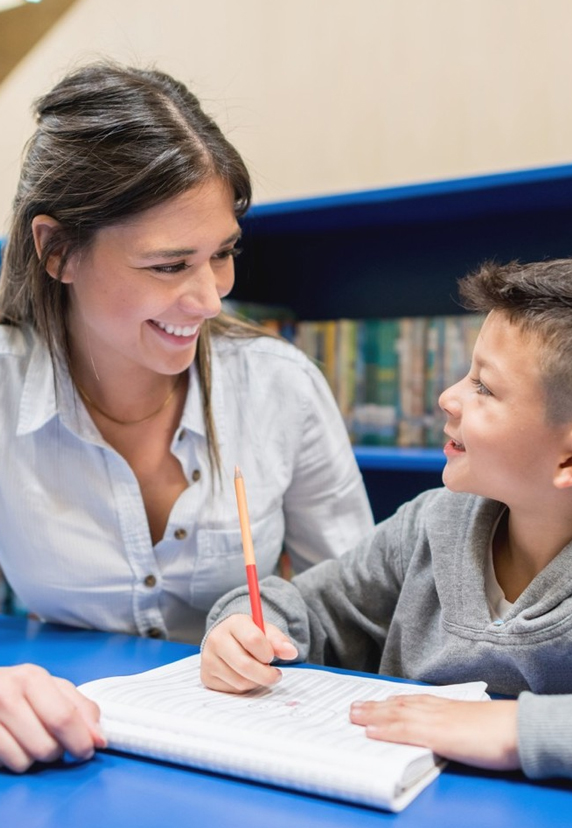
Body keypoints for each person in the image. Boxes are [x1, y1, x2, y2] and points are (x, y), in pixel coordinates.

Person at [0, 61, 374, 772]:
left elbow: (364, 608)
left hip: (248, 755)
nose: (210, 300)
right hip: (63, 754)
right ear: (57, 252)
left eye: (224, 255)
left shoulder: (281, 388)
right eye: (169, 266)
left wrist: (282, 639)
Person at [202, 258, 572, 781]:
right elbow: (314, 606)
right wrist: (242, 626)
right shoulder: (429, 524)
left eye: (484, 388)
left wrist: (516, 729)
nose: (448, 397)